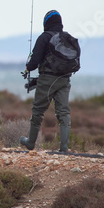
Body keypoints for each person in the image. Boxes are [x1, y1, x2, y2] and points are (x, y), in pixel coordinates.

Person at [20, 10, 72, 152]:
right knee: (63, 112)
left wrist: (27, 68)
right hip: (65, 79)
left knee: (38, 111)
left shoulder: (44, 37)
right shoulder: (67, 38)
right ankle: (64, 147)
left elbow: (35, 61)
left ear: (46, 22)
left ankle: (30, 143)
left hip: (47, 79)